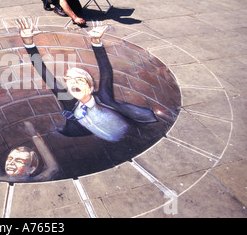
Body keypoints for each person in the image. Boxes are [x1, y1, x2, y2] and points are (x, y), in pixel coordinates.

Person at [16, 18, 158, 142]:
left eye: (79, 79)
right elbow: (44, 72)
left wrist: (96, 42)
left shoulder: (103, 97)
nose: (73, 82)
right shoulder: (68, 101)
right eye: (69, 80)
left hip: (133, 136)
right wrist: (29, 43)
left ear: (90, 87)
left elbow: (106, 71)